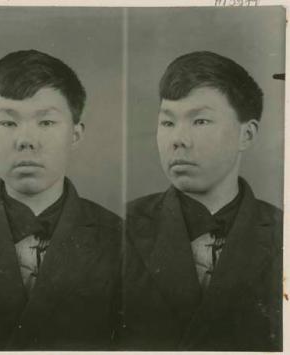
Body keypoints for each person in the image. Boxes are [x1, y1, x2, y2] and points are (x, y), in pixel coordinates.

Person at [0, 49, 123, 350]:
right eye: (8, 123)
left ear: (76, 135)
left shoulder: (120, 239)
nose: (26, 139)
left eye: (46, 123)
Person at [121, 51, 282, 351]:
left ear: (246, 135)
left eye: (200, 121)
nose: (178, 139)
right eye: (167, 123)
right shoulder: (118, 230)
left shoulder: (282, 233)